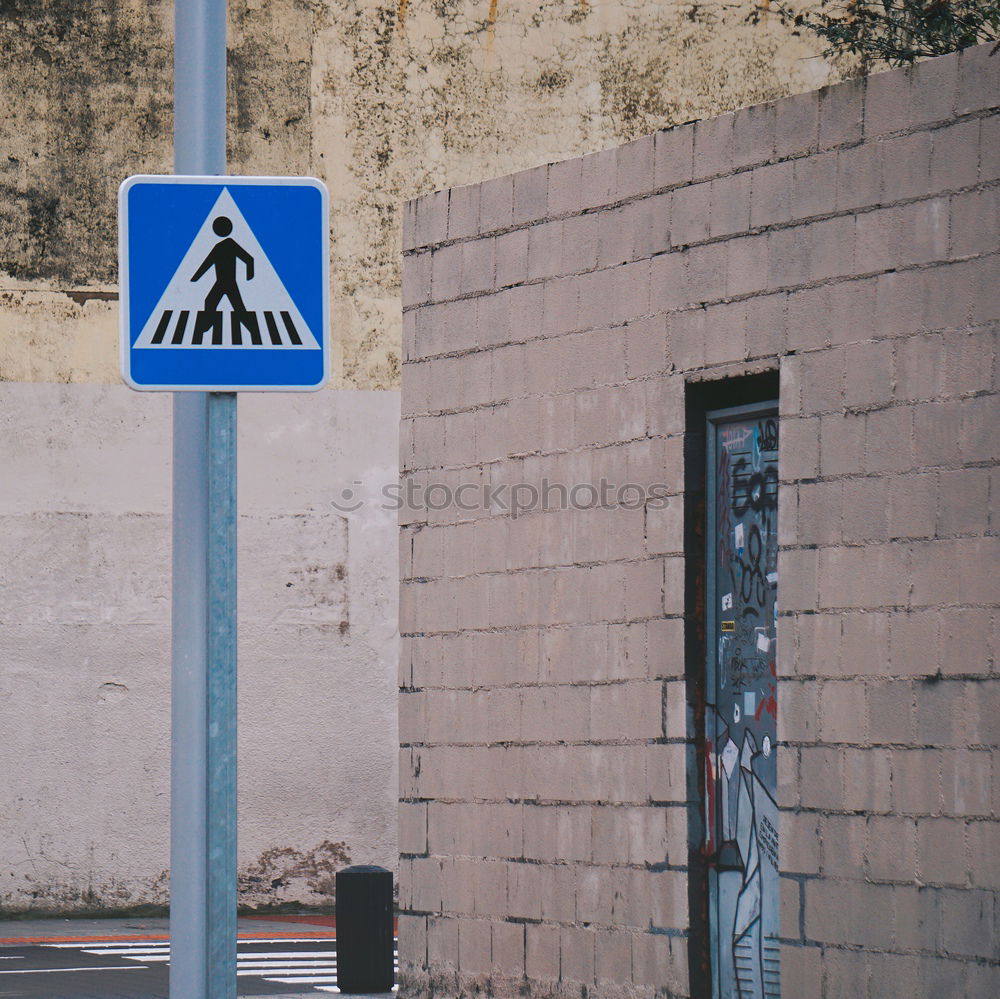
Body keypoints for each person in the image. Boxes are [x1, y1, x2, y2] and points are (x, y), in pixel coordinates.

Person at [191, 216, 254, 313]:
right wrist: (195, 278)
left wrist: (249, 276)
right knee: (210, 302)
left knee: (237, 307)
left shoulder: (228, 245)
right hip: (221, 282)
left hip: (228, 282)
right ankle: (205, 326)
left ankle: (253, 326)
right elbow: (208, 263)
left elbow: (249, 259)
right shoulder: (222, 246)